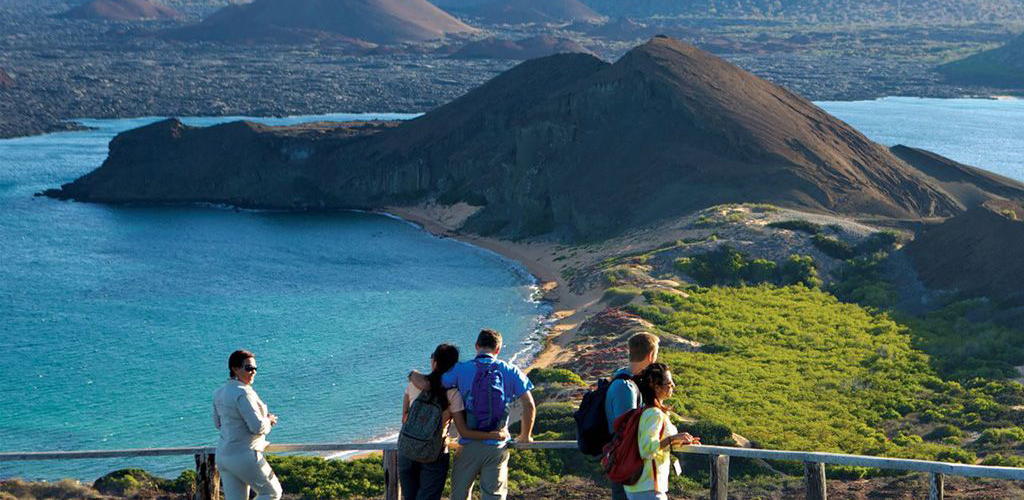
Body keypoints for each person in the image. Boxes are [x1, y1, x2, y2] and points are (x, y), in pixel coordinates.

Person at [410, 329, 536, 500]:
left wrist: (412, 374)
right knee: (494, 496)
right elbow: (528, 404)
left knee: (460, 495)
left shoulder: (461, 369)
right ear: (498, 349)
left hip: (468, 444)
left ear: (476, 346)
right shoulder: (510, 370)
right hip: (496, 445)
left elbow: (429, 384)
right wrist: (525, 436)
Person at [399, 344, 509, 500]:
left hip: (407, 450)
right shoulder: (453, 393)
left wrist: (412, 374)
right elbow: (464, 432)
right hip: (433, 454)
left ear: (434, 362)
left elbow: (405, 419)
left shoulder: (413, 384)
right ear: (454, 366)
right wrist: (495, 436)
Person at [212, 349, 283, 500]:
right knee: (272, 493)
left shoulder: (219, 392)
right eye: (249, 368)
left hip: (223, 456)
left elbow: (218, 424)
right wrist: (269, 421)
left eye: (255, 368)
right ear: (235, 369)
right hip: (244, 455)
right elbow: (257, 427)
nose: (253, 372)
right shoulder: (244, 393)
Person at [627, 363, 700, 500]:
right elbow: (646, 448)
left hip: (642, 486)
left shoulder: (646, 410)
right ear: (656, 386)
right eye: (669, 383)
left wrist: (679, 441)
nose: (673, 386)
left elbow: (656, 442)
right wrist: (672, 439)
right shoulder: (654, 414)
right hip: (648, 486)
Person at [606, 332, 661, 499]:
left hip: (628, 464)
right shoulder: (626, 387)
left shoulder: (627, 380)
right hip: (625, 466)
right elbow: (627, 432)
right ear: (651, 355)